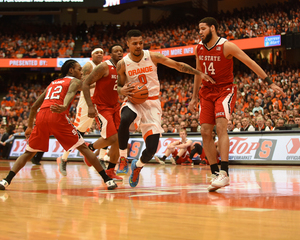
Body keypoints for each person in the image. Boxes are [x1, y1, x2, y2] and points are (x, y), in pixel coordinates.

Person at [188, 17, 285, 192]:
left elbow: (251, 63)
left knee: (221, 126)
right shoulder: (199, 48)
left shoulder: (227, 46)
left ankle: (224, 172)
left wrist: (269, 82)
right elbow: (197, 72)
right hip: (206, 91)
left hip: (225, 90)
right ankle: (215, 172)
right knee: (204, 131)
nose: (200, 32)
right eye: (199, 29)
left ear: (213, 28)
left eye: (203, 29)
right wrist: (194, 97)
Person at [0, 60, 117, 191]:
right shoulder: (74, 81)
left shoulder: (52, 83)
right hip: (57, 115)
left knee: (28, 153)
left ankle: (5, 180)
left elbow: (33, 107)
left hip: (41, 116)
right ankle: (107, 180)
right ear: (71, 70)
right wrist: (65, 105)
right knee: (84, 148)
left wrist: (29, 126)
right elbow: (71, 92)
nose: (80, 72)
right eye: (79, 69)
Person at [117, 29, 204, 188]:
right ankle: (123, 158)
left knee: (151, 150)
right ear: (128, 44)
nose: (138, 46)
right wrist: (120, 90)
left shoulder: (152, 56)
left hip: (152, 103)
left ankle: (138, 166)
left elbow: (178, 65)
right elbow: (118, 85)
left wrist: (198, 72)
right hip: (133, 100)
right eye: (134, 43)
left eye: (140, 43)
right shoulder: (122, 64)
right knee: (124, 118)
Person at [56, 48, 105, 176]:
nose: (100, 54)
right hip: (86, 102)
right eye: (97, 53)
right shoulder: (89, 65)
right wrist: (100, 84)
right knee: (78, 133)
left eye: (102, 53)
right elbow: (83, 84)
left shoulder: (103, 66)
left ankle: (101, 159)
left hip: (99, 101)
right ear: (92, 55)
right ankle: (63, 158)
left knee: (108, 130)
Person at [82, 44, 124, 181]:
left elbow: (119, 86)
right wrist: (90, 106)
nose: (119, 53)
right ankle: (90, 148)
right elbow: (85, 83)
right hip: (101, 106)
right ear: (111, 54)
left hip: (115, 106)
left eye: (121, 51)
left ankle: (111, 171)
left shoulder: (122, 67)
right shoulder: (104, 66)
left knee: (119, 139)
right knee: (112, 138)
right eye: (115, 51)